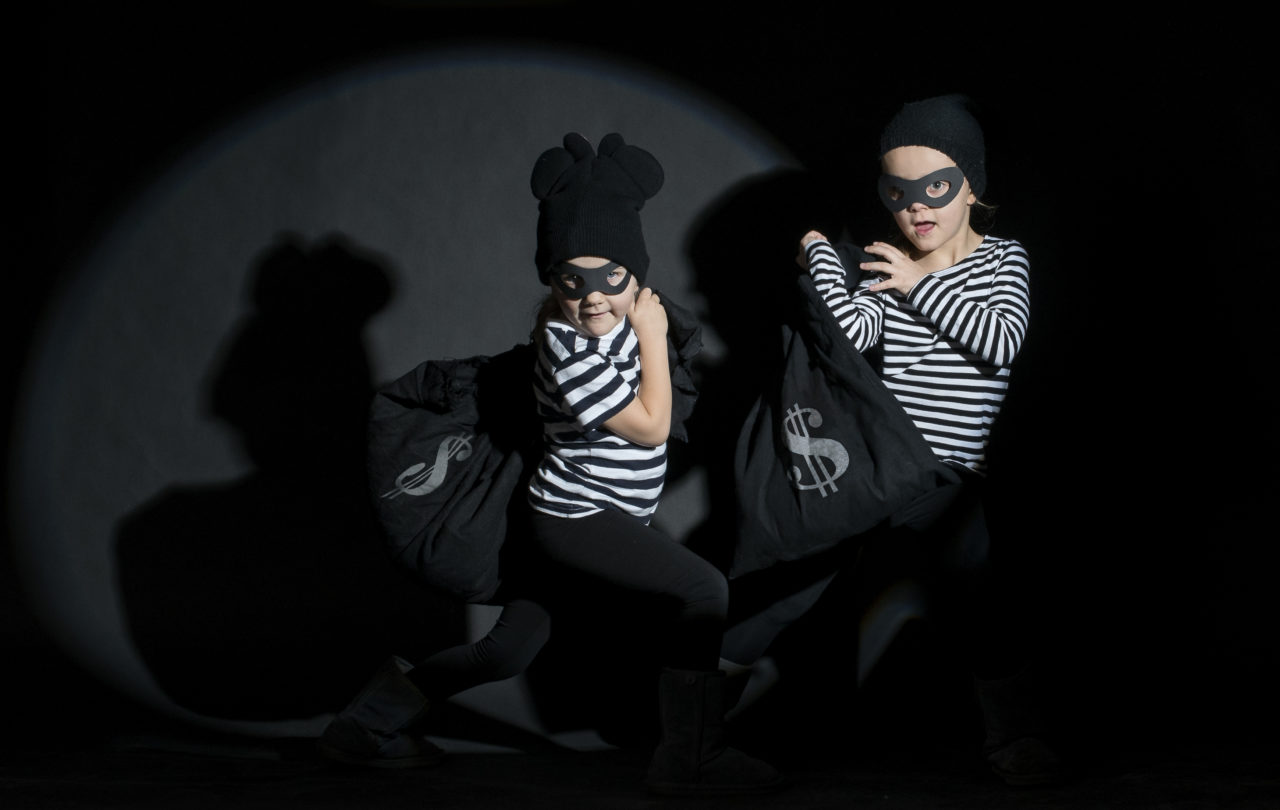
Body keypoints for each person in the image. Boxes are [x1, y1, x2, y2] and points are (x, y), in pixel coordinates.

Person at [321, 132, 782, 797]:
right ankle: (693, 757)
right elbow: (651, 428)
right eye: (572, 280)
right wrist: (654, 335)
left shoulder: (624, 327)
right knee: (703, 591)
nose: (593, 298)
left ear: (635, 274)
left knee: (508, 650)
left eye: (610, 278)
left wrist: (652, 336)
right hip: (575, 519)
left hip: (592, 515)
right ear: (552, 279)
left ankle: (365, 725)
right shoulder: (567, 349)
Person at [722, 95, 1064, 786]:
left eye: (935, 188)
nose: (915, 209)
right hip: (881, 464)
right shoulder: (887, 264)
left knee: (981, 595)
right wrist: (824, 259)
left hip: (948, 476)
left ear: (972, 187)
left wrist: (920, 283)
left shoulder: (1004, 260)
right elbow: (850, 335)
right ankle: (689, 739)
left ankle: (1016, 739)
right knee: (788, 588)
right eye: (898, 193)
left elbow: (1001, 341)